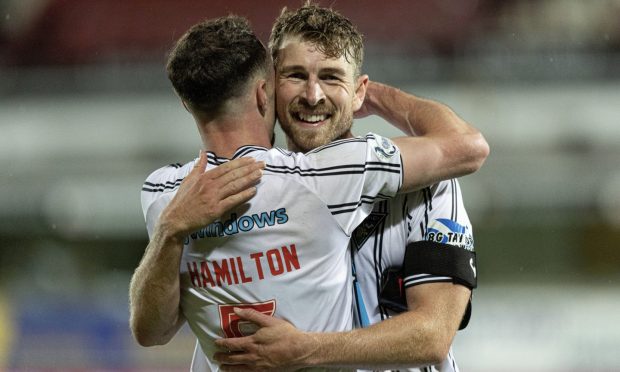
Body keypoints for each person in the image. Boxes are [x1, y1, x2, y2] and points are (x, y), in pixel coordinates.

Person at [129, 13, 488, 372]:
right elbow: (156, 327)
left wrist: (307, 349)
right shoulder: (204, 199)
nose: (313, 96)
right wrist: (169, 232)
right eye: (296, 76)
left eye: (331, 77)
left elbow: (433, 335)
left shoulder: (430, 186)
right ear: (268, 87)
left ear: (359, 90)